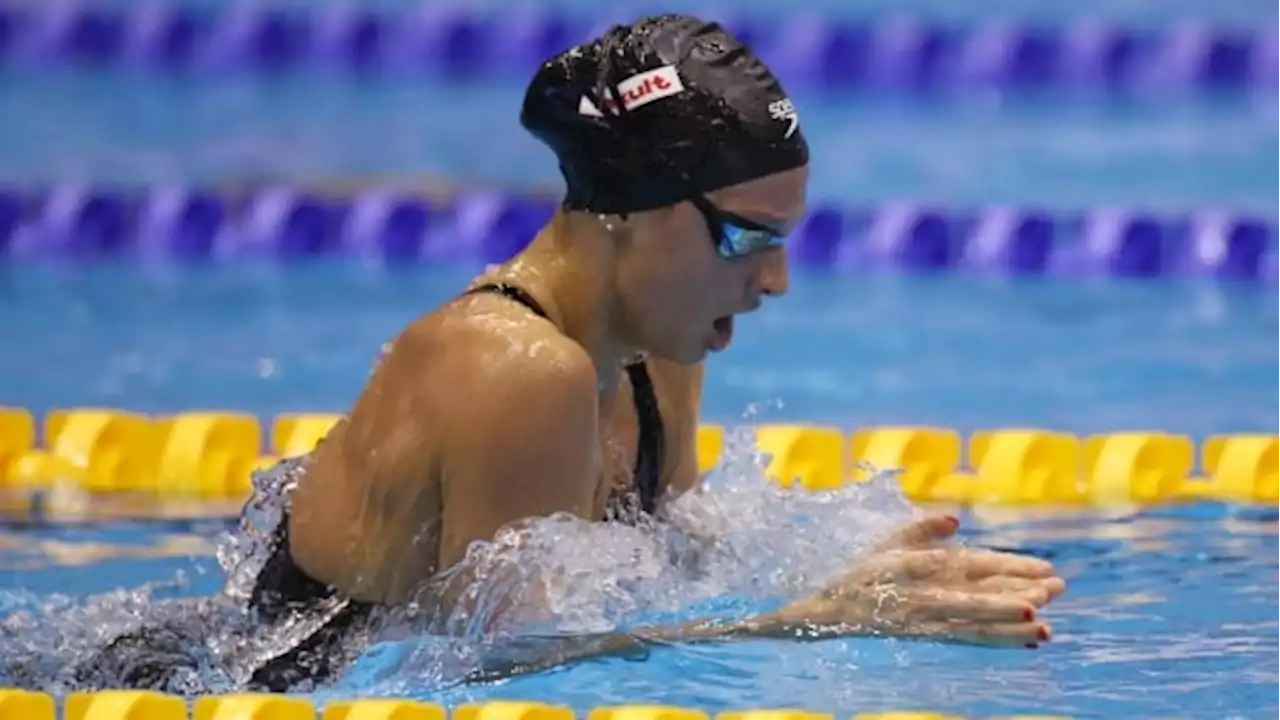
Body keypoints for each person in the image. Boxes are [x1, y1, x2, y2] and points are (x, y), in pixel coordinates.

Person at [56, 13, 1066, 693]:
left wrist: (851, 571)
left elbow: (657, 575)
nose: (774, 282)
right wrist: (801, 621)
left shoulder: (656, 353)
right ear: (630, 210)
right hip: (180, 691)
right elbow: (491, 668)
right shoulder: (513, 367)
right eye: (746, 238)